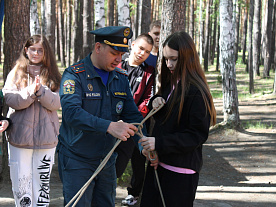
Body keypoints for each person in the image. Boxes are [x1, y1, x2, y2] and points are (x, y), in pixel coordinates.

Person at [57, 26, 146, 207]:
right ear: (98, 48)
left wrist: (144, 142)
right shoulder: (74, 75)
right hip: (77, 160)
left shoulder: (120, 77)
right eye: (114, 53)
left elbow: (132, 115)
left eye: (122, 54)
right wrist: (109, 126)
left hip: (106, 160)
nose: (119, 59)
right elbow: (71, 113)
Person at [139, 31, 216, 207]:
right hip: (160, 164)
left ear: (187, 57)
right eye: (166, 59)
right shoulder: (173, 83)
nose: (169, 64)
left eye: (173, 59)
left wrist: (158, 143)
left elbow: (196, 135)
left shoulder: (196, 91)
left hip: (180, 171)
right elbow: (167, 119)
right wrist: (154, 102)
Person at [3, 34, 61, 207]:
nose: (36, 53)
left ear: (46, 52)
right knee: (22, 183)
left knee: (41, 186)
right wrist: (29, 92)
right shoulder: (16, 72)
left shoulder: (54, 75)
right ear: (26, 51)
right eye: (32, 49)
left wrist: (41, 92)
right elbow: (10, 99)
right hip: (19, 138)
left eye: (40, 50)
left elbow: (58, 102)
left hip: (46, 139)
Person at [114, 34, 154, 206]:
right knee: (113, 156)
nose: (142, 53)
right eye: (141, 48)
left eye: (147, 52)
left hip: (137, 122)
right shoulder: (116, 66)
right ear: (132, 45)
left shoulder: (149, 72)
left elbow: (147, 98)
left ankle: (134, 192)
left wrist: (135, 118)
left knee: (139, 157)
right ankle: (107, 186)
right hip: (114, 121)